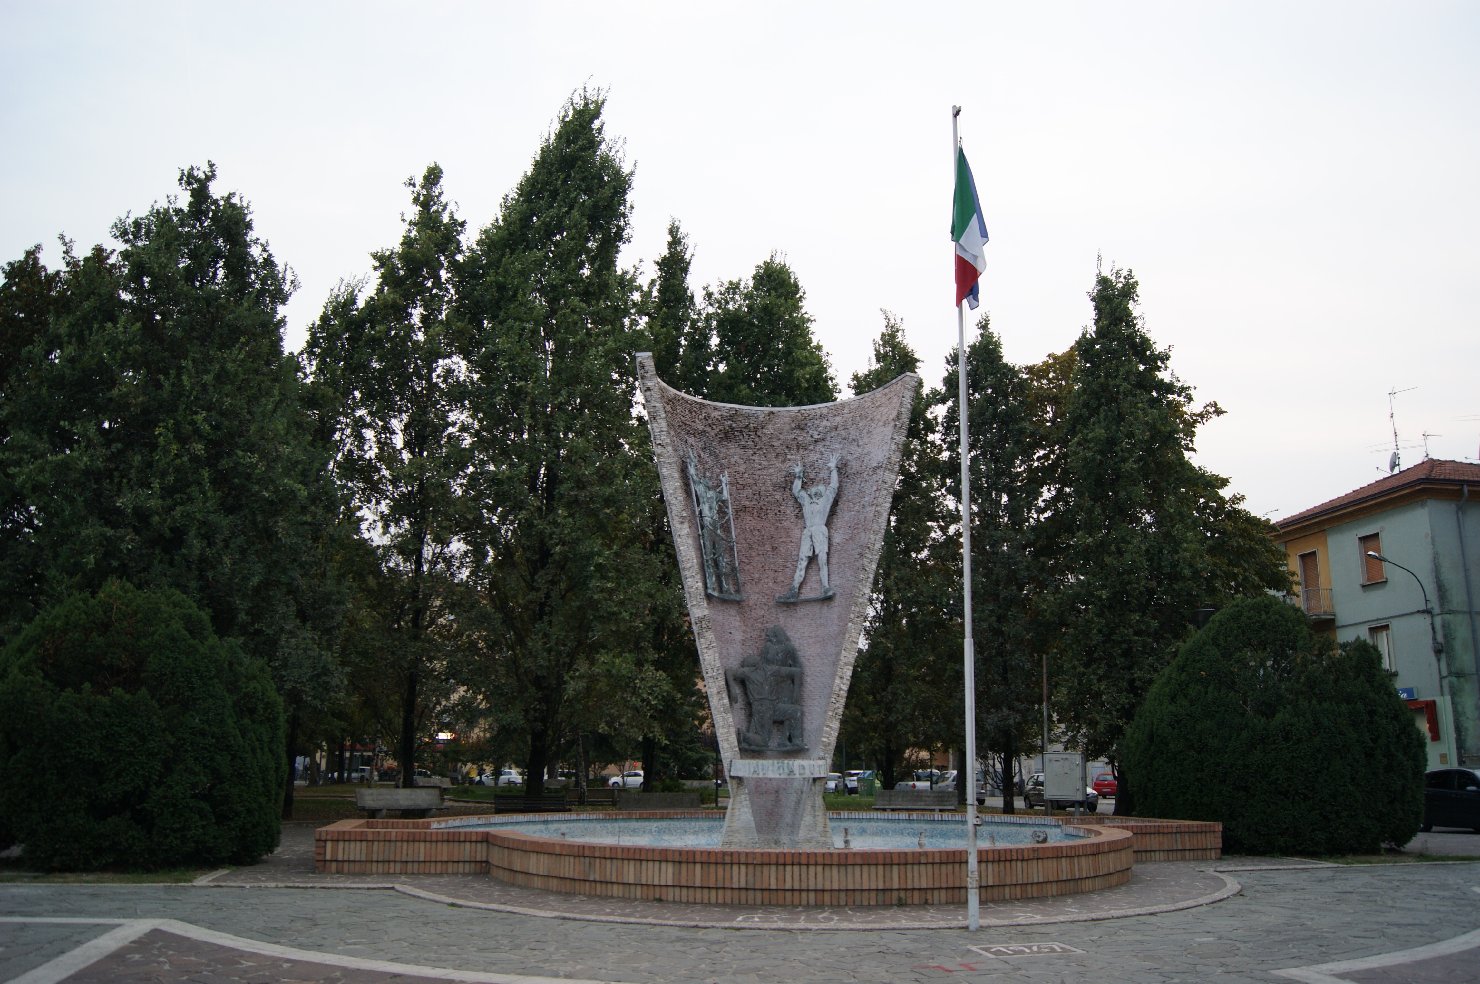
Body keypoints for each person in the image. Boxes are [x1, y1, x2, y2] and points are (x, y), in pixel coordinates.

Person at [780, 455, 840, 601]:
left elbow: (834, 486)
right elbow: (796, 491)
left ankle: (825, 587)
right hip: (808, 530)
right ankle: (793, 590)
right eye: (813, 491)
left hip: (819, 529)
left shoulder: (825, 500)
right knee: (802, 560)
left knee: (822, 558)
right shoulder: (806, 501)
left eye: (817, 490)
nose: (814, 491)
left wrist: (833, 468)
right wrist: (799, 475)